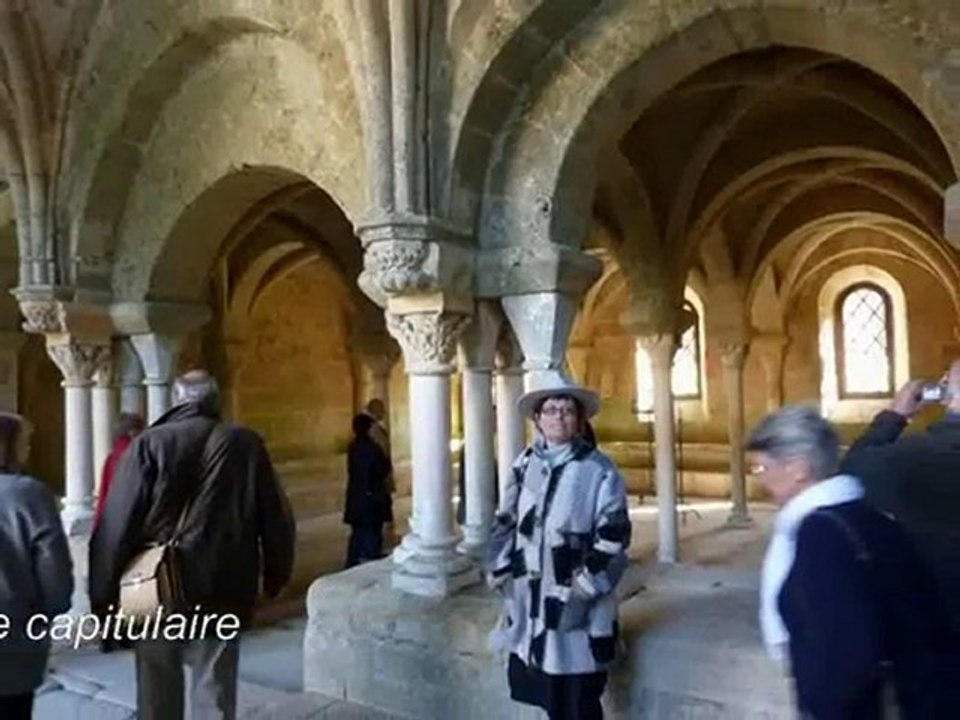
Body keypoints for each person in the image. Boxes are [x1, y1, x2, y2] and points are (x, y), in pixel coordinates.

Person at [89, 370, 296, 720]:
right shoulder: (245, 443)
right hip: (225, 581)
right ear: (216, 401)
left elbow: (116, 525)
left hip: (155, 585)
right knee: (214, 686)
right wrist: (276, 573)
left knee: (157, 687)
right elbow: (275, 514)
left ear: (176, 401)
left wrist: (103, 596)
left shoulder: (149, 444)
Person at [747, 405, 952, 718]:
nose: (758, 479)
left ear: (799, 468)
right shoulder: (869, 517)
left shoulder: (820, 534)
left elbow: (845, 656)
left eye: (761, 468)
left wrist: (819, 706)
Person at [486, 370, 631, 720]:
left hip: (574, 599)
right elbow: (505, 520)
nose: (558, 417)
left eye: (567, 410)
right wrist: (499, 567)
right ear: (537, 418)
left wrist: (583, 587)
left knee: (579, 695)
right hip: (529, 597)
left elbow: (614, 535)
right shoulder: (524, 464)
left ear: (580, 420)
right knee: (547, 690)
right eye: (550, 410)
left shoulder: (599, 469)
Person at [839, 365, 960, 637]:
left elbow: (849, 475)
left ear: (944, 393)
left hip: (930, 624)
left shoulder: (904, 456)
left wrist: (894, 416)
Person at [0, 412, 73, 720]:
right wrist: (47, 614)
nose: (28, 450)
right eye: (25, 443)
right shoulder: (29, 494)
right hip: (13, 639)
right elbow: (54, 572)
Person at [343, 413, 393, 567]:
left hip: (357, 496)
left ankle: (352, 561)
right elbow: (383, 469)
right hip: (372, 498)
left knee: (358, 532)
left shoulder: (353, 446)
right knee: (372, 531)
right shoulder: (372, 448)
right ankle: (372, 561)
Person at [93, 412, 145, 529]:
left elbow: (104, 492)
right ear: (133, 432)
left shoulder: (112, 457)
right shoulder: (137, 455)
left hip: (112, 515)